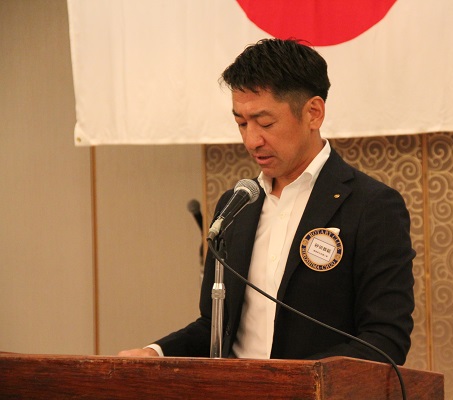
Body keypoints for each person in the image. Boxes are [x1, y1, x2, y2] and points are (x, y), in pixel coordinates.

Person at [119, 38, 415, 364]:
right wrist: (155, 352)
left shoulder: (372, 206)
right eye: (241, 123)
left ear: (313, 113)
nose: (251, 140)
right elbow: (214, 327)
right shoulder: (235, 205)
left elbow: (385, 339)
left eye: (265, 123)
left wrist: (294, 382)